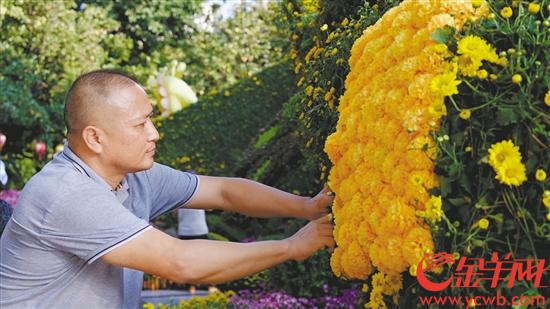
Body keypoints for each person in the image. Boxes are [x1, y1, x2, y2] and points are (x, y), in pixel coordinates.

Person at [0, 70, 335, 308]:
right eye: (140, 124)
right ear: (95, 138)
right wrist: (292, 246)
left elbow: (223, 193)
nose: (155, 133)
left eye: (151, 118)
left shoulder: (135, 176)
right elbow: (181, 263)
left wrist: (307, 206)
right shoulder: (65, 193)